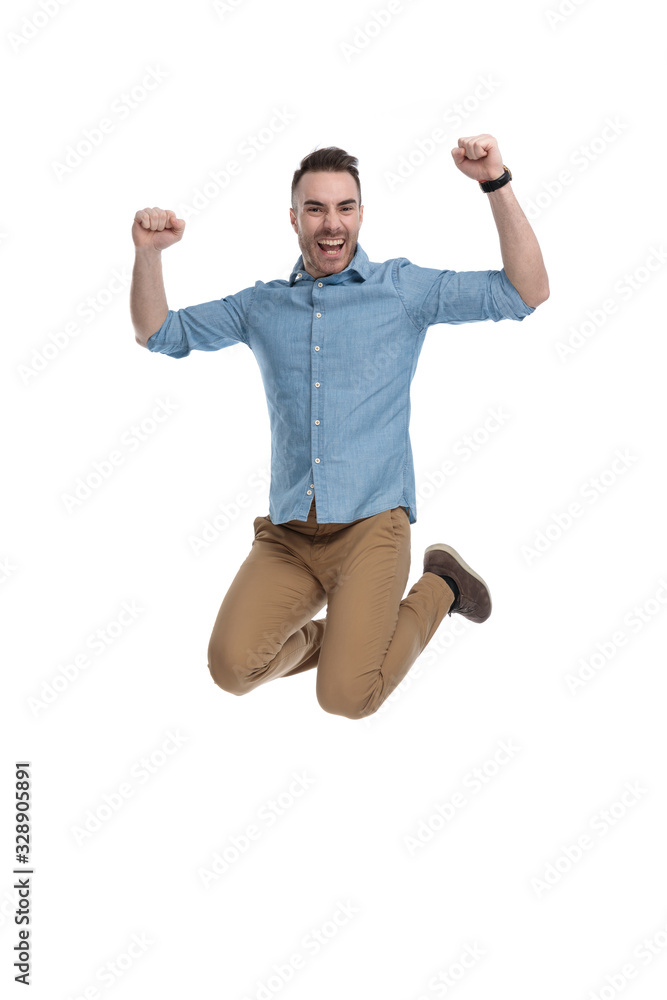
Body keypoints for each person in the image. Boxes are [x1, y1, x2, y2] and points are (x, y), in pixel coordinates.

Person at [130, 134, 549, 721]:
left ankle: (442, 587)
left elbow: (526, 291)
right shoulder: (261, 306)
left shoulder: (401, 290)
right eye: (316, 208)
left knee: (348, 697)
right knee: (232, 668)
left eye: (344, 207)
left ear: (360, 214)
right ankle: (354, 643)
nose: (332, 223)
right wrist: (148, 254)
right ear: (294, 218)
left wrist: (495, 183)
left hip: (372, 528)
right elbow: (158, 333)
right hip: (291, 537)